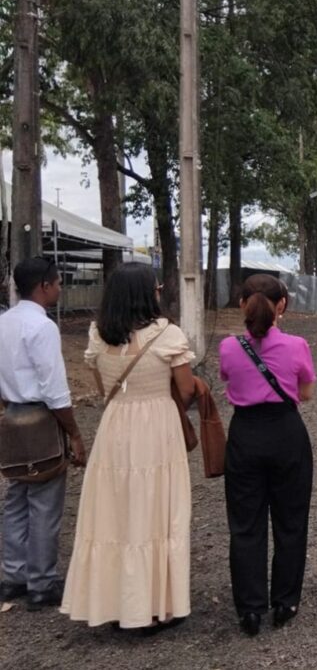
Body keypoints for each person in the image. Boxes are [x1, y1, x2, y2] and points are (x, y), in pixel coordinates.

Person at [61, 262, 194, 631]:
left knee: (115, 513)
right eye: (155, 288)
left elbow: (104, 388)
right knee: (157, 511)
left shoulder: (97, 336)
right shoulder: (167, 335)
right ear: (147, 294)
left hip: (116, 426)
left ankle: (115, 602)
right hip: (158, 429)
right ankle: (156, 605)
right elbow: (186, 391)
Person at [219, 274, 315, 636]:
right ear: (282, 305)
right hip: (286, 434)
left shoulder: (229, 347)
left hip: (245, 435)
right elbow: (305, 394)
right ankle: (285, 601)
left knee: (246, 524)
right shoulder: (297, 345)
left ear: (242, 303)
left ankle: (250, 608)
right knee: (291, 521)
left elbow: (229, 380)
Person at [0, 257, 86, 611]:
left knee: (16, 496)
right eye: (58, 282)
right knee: (46, 503)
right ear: (44, 286)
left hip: (11, 415)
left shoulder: (3, 322)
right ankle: (41, 582)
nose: (60, 287)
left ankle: (13, 576)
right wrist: (75, 433)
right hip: (40, 417)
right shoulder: (43, 328)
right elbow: (54, 389)